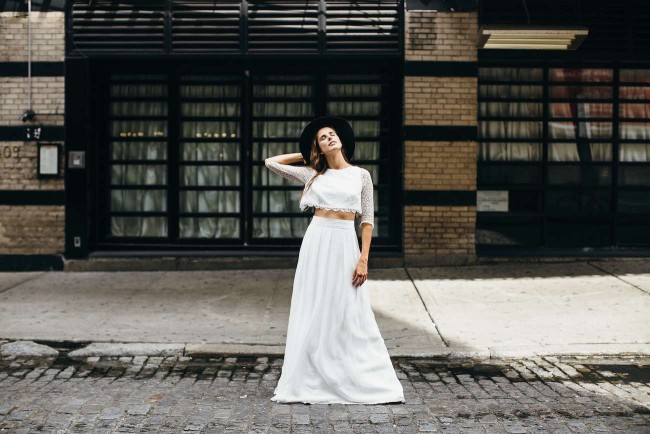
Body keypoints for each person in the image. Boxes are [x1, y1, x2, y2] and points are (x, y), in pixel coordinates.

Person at [264, 116, 405, 405]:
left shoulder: (361, 175)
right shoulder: (313, 175)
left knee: (349, 310)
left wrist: (364, 259)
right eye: (322, 137)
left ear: (341, 139)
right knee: (315, 306)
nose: (330, 137)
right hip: (317, 242)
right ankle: (310, 373)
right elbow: (271, 162)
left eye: (332, 134)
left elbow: (367, 220)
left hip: (345, 243)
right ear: (319, 148)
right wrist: (307, 154)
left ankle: (357, 375)